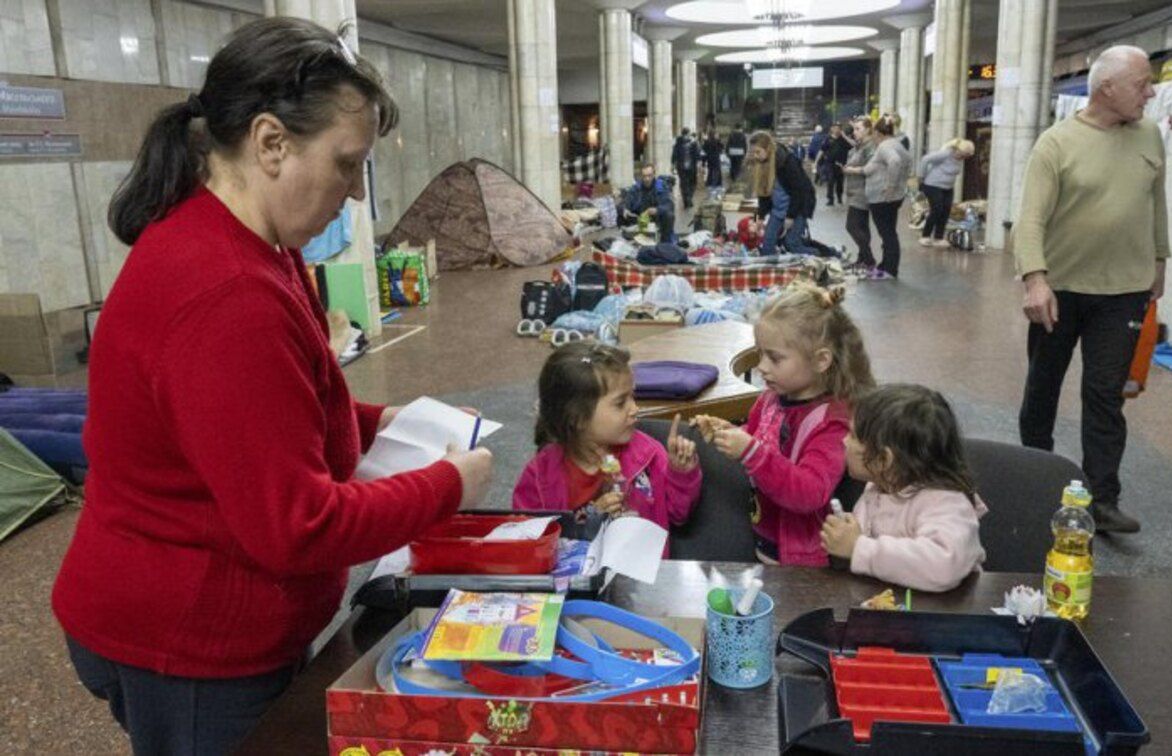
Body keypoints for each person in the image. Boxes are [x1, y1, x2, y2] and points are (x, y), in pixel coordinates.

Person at [51, 18, 493, 755]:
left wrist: (395, 419)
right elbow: (299, 527)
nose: (354, 197)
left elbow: (279, 406)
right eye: (347, 165)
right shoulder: (227, 293)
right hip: (186, 645)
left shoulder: (253, 243)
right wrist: (449, 484)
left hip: (188, 621)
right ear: (270, 143)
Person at [1014, 45, 1167, 534]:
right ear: (1108, 88)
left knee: (1105, 395)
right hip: (1059, 290)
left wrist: (1159, 259)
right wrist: (1035, 279)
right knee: (1043, 388)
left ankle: (1102, 499)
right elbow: (1031, 219)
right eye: (1142, 83)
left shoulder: (1149, 135)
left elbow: (1155, 202)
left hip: (1124, 290)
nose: (1151, 91)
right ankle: (1034, 481)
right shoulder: (1056, 143)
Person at [692, 283, 875, 566]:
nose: (763, 367)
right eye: (760, 354)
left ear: (821, 360)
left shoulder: (832, 422)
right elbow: (759, 442)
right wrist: (729, 433)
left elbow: (810, 491)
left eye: (775, 358)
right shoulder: (770, 400)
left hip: (803, 562)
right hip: (765, 542)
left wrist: (749, 450)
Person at [512, 342, 701, 541]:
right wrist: (590, 520)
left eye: (633, 396)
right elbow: (529, 540)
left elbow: (679, 515)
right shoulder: (539, 476)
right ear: (577, 418)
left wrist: (681, 473)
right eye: (621, 403)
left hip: (642, 569)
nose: (634, 409)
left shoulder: (649, 454)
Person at [821, 384, 988, 592]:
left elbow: (943, 566)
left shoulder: (945, 502)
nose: (844, 441)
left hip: (947, 617)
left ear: (884, 459)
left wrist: (859, 548)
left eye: (853, 436)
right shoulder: (878, 489)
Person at [846, 115, 909, 279]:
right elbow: (871, 168)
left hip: (883, 198)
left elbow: (894, 162)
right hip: (890, 196)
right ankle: (885, 266)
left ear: (876, 132)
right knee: (888, 234)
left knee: (888, 234)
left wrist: (891, 186)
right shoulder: (897, 144)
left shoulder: (885, 146)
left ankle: (889, 270)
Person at [749, 131, 816, 256]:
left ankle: (823, 257)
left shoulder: (787, 161)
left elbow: (799, 191)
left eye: (758, 152)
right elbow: (764, 195)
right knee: (767, 245)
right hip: (778, 209)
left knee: (791, 244)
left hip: (798, 207)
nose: (755, 156)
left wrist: (790, 216)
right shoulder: (762, 165)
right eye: (753, 152)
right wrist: (761, 217)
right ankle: (774, 272)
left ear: (767, 148)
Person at [918, 138, 975, 247]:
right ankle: (925, 236)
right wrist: (921, 177)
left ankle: (938, 238)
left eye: (967, 156)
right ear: (959, 150)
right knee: (936, 209)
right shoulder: (946, 154)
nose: (965, 158)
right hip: (933, 185)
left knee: (945, 211)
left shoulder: (960, 159)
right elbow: (925, 159)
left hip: (948, 187)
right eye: (965, 154)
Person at [844, 116, 878, 271]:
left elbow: (872, 167)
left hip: (862, 192)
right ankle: (862, 258)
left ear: (868, 130)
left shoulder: (871, 147)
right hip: (853, 190)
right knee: (862, 227)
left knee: (851, 226)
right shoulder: (858, 146)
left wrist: (852, 170)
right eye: (854, 129)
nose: (854, 132)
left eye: (858, 129)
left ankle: (869, 258)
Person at [623, 163, 675, 243]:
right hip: (641, 219)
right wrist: (626, 209)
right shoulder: (636, 188)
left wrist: (657, 210)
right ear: (641, 176)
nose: (647, 179)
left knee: (669, 215)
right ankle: (628, 240)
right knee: (621, 213)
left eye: (649, 175)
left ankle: (665, 243)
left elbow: (669, 205)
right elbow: (628, 199)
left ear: (654, 174)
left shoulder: (661, 186)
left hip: (658, 219)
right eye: (644, 176)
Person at [821, 123, 852, 207]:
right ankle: (830, 199)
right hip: (830, 164)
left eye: (838, 128)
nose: (836, 130)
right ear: (832, 129)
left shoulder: (843, 139)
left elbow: (851, 146)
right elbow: (823, 149)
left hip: (841, 164)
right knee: (830, 181)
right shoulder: (828, 139)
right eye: (835, 128)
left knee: (840, 182)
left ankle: (839, 197)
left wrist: (845, 136)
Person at [671, 127, 700, 209]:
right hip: (686, 167)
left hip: (686, 167)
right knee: (687, 183)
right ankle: (688, 199)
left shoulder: (691, 143)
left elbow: (697, 154)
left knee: (688, 183)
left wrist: (673, 165)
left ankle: (687, 198)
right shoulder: (681, 143)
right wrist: (673, 164)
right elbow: (674, 154)